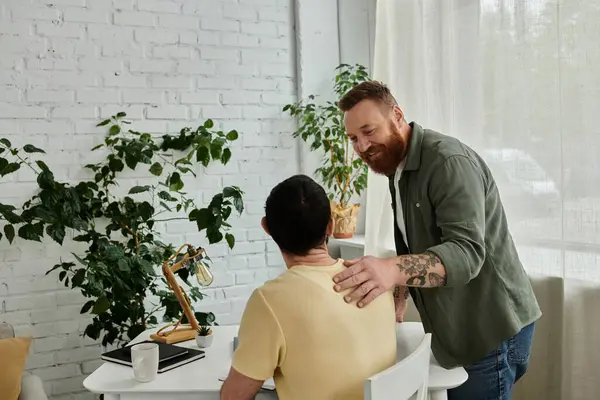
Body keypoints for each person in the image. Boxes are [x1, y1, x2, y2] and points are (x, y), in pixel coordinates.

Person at [332, 81, 542, 399]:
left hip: (491, 331)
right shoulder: (398, 169)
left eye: (368, 131)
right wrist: (400, 291)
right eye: (353, 139)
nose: (361, 146)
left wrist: (391, 269)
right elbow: (418, 242)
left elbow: (466, 253)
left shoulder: (448, 163)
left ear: (398, 116)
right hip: (460, 330)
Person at [220, 174, 397, 400]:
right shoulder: (375, 279)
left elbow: (235, 396)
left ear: (267, 228)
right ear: (331, 225)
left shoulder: (269, 301)